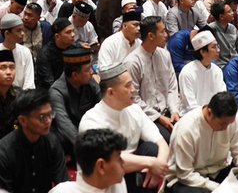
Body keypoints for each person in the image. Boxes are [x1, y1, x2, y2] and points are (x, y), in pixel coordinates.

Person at [78, 65, 170, 193]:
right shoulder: (91, 120)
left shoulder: (134, 109)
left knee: (152, 148)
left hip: (133, 171)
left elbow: (161, 142)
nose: (133, 90)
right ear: (111, 92)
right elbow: (108, 161)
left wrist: (158, 166)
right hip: (104, 180)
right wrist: (150, 163)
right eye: (128, 86)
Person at [165, 92, 238, 193]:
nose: (226, 128)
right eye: (223, 124)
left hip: (217, 171)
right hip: (185, 179)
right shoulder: (186, 129)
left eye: (229, 123)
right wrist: (218, 188)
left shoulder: (230, 122)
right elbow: (185, 174)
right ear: (209, 113)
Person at [0, 88, 69, 193]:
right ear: (23, 120)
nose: (48, 121)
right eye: (42, 117)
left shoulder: (52, 142)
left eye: (50, 114)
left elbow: (63, 185)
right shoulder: (3, 152)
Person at [125, 16, 180, 140]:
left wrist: (174, 111)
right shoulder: (132, 62)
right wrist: (159, 118)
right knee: (169, 138)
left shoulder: (165, 55)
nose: (166, 35)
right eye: (163, 32)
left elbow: (172, 87)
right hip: (146, 116)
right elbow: (133, 99)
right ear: (150, 36)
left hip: (168, 111)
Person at [49, 46, 101, 159]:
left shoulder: (90, 82)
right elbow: (64, 124)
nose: (92, 72)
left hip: (90, 131)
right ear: (75, 75)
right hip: (69, 138)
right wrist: (86, 148)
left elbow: (103, 107)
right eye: (87, 69)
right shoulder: (56, 91)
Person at [50, 129, 128, 193]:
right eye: (119, 159)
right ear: (101, 166)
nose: (123, 163)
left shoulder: (117, 183)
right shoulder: (62, 191)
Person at [0, 13, 36, 90]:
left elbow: (29, 84)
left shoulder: (26, 52)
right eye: (18, 31)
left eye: (22, 30)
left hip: (23, 98)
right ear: (7, 33)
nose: (22, 34)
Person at [179, 30, 226, 113]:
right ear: (203, 52)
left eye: (217, 46)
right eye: (214, 47)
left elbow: (222, 97)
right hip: (191, 117)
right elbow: (190, 106)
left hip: (214, 116)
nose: (218, 50)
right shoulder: (187, 72)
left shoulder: (217, 70)